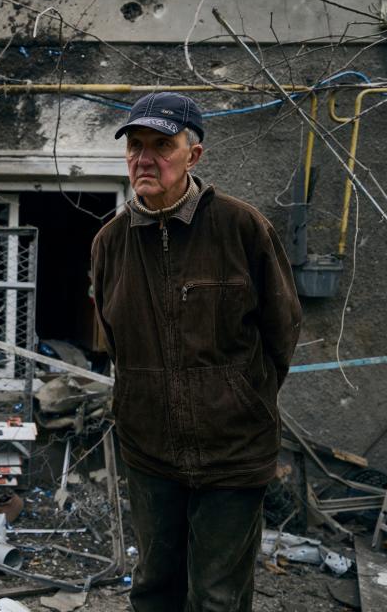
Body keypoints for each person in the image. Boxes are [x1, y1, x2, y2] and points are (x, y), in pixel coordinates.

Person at [90, 92, 302, 612]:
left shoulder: (241, 227)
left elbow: (282, 332)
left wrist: (239, 400)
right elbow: (115, 341)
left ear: (194, 154)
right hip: (150, 450)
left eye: (162, 145)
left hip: (233, 451)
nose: (145, 158)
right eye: (136, 146)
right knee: (154, 589)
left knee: (216, 598)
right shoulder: (110, 242)